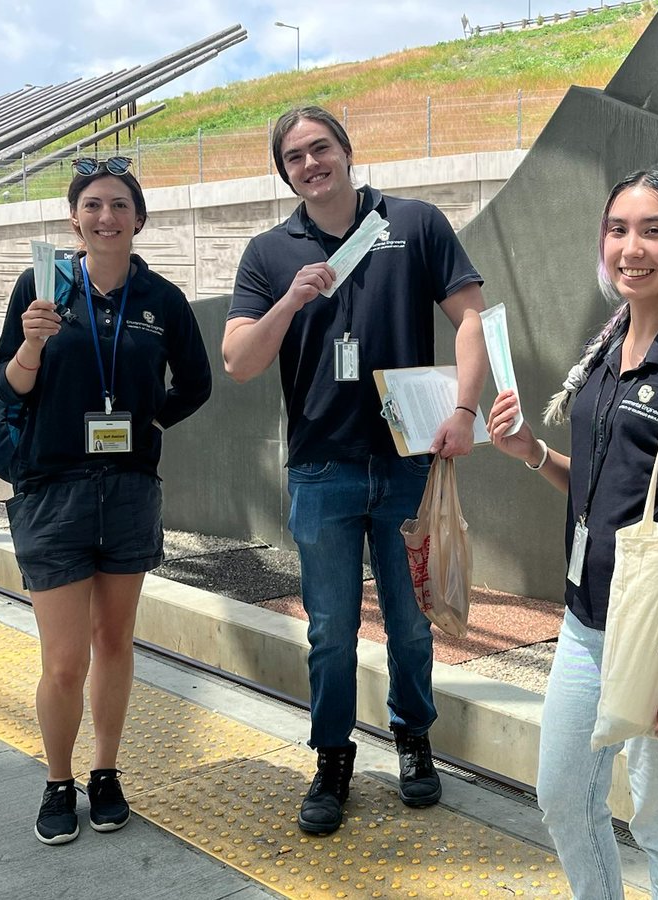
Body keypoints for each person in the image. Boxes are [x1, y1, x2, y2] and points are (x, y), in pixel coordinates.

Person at [488, 169, 658, 899]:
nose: (631, 247)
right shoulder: (608, 350)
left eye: (653, 229)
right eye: (618, 229)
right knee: (563, 799)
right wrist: (534, 455)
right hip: (584, 622)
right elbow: (605, 488)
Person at [222, 106, 487, 835]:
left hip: (407, 464)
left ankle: (413, 740)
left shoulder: (415, 222)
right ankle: (332, 757)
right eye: (296, 157)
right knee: (331, 629)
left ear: (346, 151)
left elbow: (472, 317)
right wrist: (290, 299)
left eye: (322, 148)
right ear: (285, 172)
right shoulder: (270, 252)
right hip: (320, 469)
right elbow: (239, 361)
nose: (312, 164)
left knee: (409, 623)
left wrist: (465, 410)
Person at [0, 156, 212, 845]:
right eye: (93, 206)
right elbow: (8, 389)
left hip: (128, 490)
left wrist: (151, 422)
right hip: (52, 489)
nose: (106, 217)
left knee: (114, 640)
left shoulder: (162, 301)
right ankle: (58, 779)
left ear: (139, 219)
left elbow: (196, 383)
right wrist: (30, 344)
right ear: (74, 221)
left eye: (119, 205)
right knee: (63, 660)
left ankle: (105, 771)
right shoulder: (42, 286)